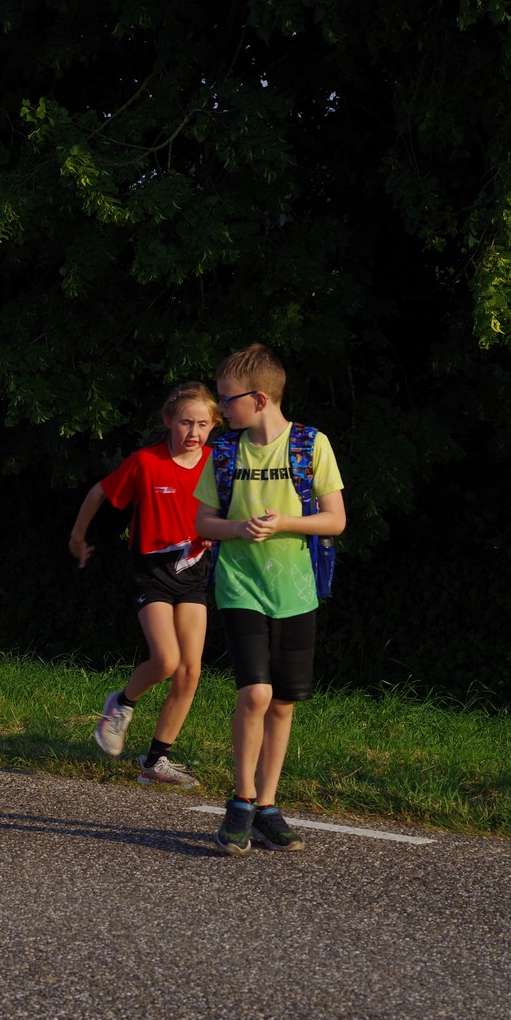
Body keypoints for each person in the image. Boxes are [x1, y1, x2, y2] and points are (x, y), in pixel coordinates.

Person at [194, 343, 346, 854]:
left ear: (259, 399)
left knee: (282, 702)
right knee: (255, 694)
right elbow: (203, 522)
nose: (221, 410)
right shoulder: (223, 452)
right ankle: (241, 800)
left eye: (227, 399)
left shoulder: (310, 444)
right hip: (239, 585)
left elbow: (335, 519)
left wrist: (285, 523)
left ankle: (267, 806)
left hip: (296, 590)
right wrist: (239, 527)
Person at [69, 382, 220, 787]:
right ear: (169, 420)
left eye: (202, 424)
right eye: (185, 422)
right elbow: (99, 492)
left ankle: (156, 761)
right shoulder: (146, 462)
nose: (193, 431)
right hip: (150, 574)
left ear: (213, 426)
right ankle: (121, 704)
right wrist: (78, 538)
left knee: (189, 671)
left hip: (193, 574)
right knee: (166, 660)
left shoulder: (217, 463)